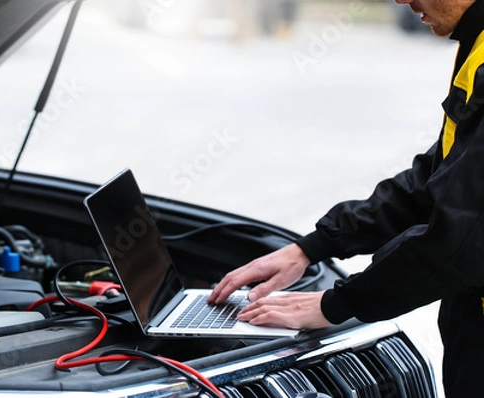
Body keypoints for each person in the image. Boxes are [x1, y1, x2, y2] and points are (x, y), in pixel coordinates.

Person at [207, 0, 484, 396]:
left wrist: (336, 304)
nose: (402, 0)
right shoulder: (476, 42)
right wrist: (314, 246)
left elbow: (461, 237)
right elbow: (436, 180)